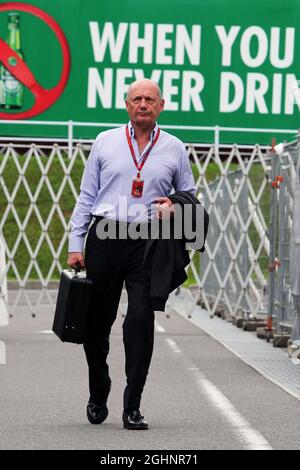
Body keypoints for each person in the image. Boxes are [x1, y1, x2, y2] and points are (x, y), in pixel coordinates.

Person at [67, 79, 196, 430]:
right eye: (137, 99)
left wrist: (173, 204)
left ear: (161, 105)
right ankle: (99, 388)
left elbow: (189, 193)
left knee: (140, 320)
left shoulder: (174, 148)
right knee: (96, 324)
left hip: (148, 241)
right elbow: (86, 195)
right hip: (106, 235)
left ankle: (133, 404)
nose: (143, 104)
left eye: (149, 99)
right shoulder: (105, 141)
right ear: (126, 105)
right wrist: (75, 244)